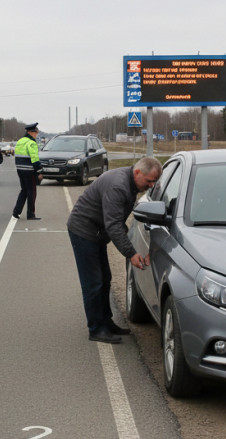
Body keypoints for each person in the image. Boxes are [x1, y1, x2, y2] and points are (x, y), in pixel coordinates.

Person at [67, 157, 162, 343]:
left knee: (105, 279)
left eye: (154, 182)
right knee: (93, 283)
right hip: (84, 232)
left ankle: (105, 321)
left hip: (97, 232)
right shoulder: (118, 186)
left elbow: (120, 219)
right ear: (137, 172)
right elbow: (114, 225)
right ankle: (96, 328)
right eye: (149, 181)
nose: (151, 185)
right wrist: (131, 253)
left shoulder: (131, 183)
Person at [12, 123, 44, 220]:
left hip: (20, 169)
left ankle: (16, 211)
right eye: (36, 133)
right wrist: (39, 171)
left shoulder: (20, 141)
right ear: (31, 132)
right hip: (29, 170)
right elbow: (34, 158)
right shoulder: (32, 143)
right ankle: (30, 214)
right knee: (32, 192)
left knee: (24, 190)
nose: (36, 135)